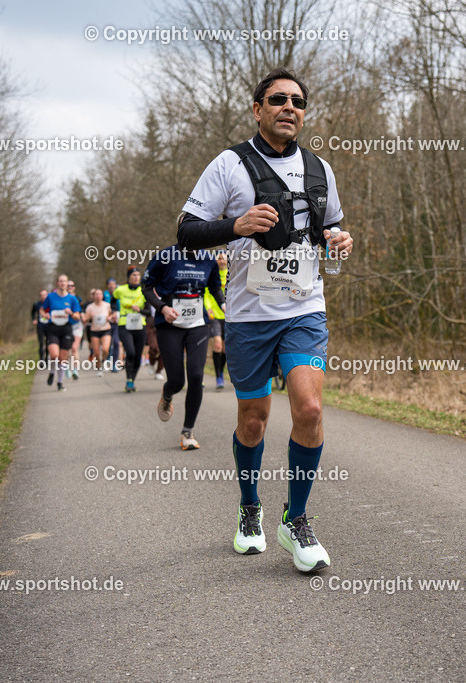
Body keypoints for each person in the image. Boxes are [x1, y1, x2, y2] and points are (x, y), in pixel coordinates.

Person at [177, 68, 352, 572]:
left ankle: (295, 520)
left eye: (297, 101)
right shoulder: (229, 165)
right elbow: (187, 230)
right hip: (250, 318)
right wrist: (235, 225)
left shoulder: (320, 169)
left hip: (304, 310)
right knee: (253, 420)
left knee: (311, 410)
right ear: (258, 109)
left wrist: (340, 240)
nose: (289, 107)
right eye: (277, 99)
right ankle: (249, 506)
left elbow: (331, 228)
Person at [142, 238, 225, 450]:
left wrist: (224, 305)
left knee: (196, 376)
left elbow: (215, 288)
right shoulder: (166, 256)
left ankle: (188, 431)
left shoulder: (208, 259)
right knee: (177, 381)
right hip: (169, 324)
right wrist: (162, 308)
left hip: (197, 323)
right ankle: (168, 394)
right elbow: (147, 287)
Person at [41, 274, 82, 391]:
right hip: (53, 328)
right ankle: (52, 372)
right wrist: (45, 315)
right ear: (57, 283)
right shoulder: (51, 297)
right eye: (60, 281)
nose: (63, 283)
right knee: (54, 355)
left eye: (65, 281)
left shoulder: (72, 299)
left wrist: (71, 313)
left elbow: (77, 316)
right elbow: (42, 309)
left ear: (67, 283)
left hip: (66, 329)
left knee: (62, 358)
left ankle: (59, 382)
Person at [112, 267, 147, 392]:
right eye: (133, 275)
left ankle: (131, 380)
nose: (136, 277)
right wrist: (113, 312)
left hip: (140, 325)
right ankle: (128, 379)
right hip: (124, 324)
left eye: (138, 275)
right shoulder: (120, 289)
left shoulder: (144, 290)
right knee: (130, 352)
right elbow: (112, 301)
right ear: (128, 277)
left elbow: (148, 312)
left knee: (138, 356)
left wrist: (140, 310)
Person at [204, 251, 229, 390]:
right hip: (214, 315)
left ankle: (221, 373)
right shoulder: (211, 275)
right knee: (217, 345)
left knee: (225, 348)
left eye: (223, 258)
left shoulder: (232, 274)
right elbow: (207, 294)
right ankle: (218, 375)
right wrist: (208, 308)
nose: (221, 261)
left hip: (229, 315)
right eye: (219, 258)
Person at [84, 288, 117, 377]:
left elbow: (111, 315)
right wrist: (88, 317)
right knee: (97, 353)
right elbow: (85, 320)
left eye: (100, 294)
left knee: (106, 349)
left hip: (105, 330)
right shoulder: (90, 307)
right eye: (96, 294)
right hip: (94, 331)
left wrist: (110, 317)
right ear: (94, 296)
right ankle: (99, 368)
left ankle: (105, 360)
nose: (98, 296)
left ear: (102, 296)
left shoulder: (107, 305)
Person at [67, 279, 84, 380]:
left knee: (74, 348)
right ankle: (66, 368)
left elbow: (81, 311)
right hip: (65, 326)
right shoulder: (62, 298)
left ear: (74, 287)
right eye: (68, 286)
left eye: (72, 286)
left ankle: (75, 370)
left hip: (77, 325)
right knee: (67, 350)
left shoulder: (78, 298)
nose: (70, 287)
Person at [103, 277, 121, 372]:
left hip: (117, 322)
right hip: (106, 322)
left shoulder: (119, 294)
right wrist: (108, 315)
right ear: (107, 286)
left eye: (113, 284)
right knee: (108, 345)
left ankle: (114, 364)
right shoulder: (103, 294)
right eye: (110, 284)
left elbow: (122, 306)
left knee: (116, 343)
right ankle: (106, 361)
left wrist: (116, 314)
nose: (111, 286)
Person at [31, 289, 48, 362]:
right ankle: (41, 360)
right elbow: (32, 312)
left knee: (48, 343)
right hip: (40, 325)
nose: (43, 297)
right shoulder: (37, 304)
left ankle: (47, 358)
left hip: (48, 325)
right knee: (41, 343)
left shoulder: (50, 303)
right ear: (40, 296)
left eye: (45, 295)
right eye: (42, 295)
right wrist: (34, 319)